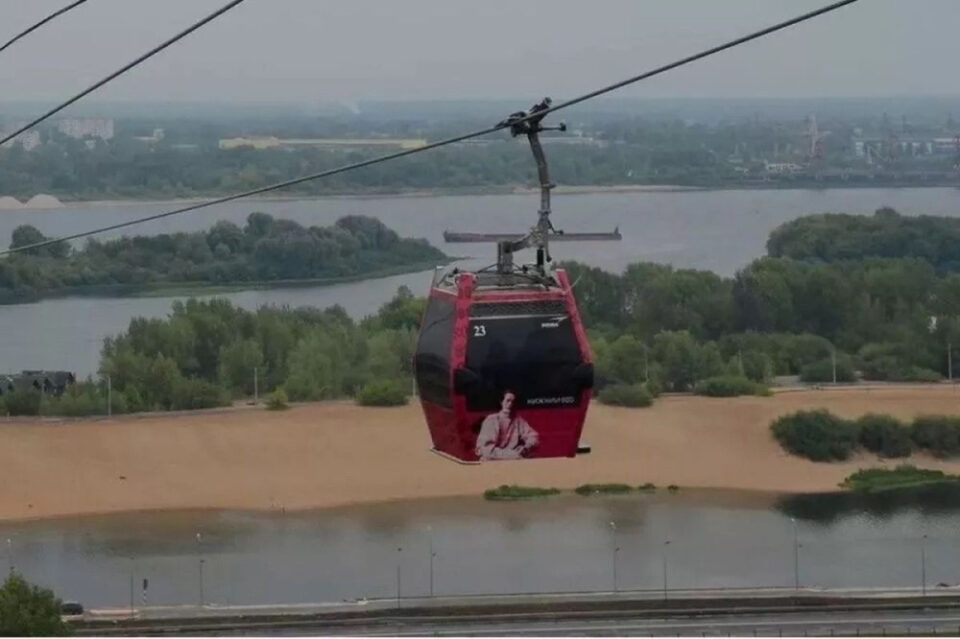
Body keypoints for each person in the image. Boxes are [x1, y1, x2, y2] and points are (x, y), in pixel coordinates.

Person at [475, 390, 539, 461]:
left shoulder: (518, 421)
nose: (510, 404)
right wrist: (513, 454)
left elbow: (534, 436)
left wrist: (525, 448)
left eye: (513, 402)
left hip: (512, 460)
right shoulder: (491, 420)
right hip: (492, 461)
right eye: (508, 401)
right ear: (501, 402)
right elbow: (487, 450)